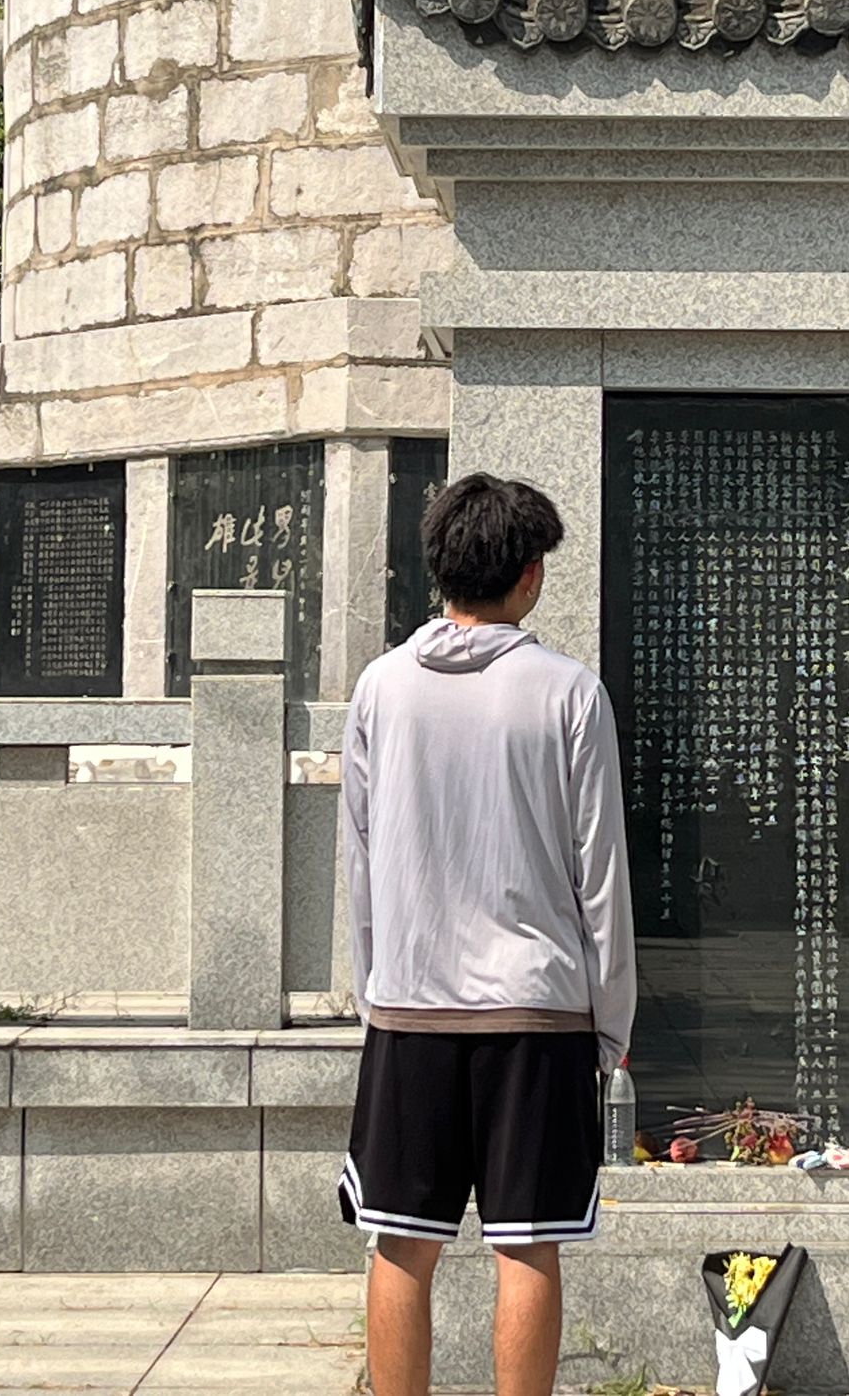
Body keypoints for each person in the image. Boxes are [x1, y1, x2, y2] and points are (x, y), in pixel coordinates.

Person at [338, 471, 635, 1396]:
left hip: (410, 1007)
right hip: (538, 1014)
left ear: (439, 565)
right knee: (529, 1244)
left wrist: (376, 995)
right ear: (530, 573)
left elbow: (360, 862)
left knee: (401, 1241)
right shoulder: (569, 693)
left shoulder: (380, 689)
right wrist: (610, 1024)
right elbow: (600, 876)